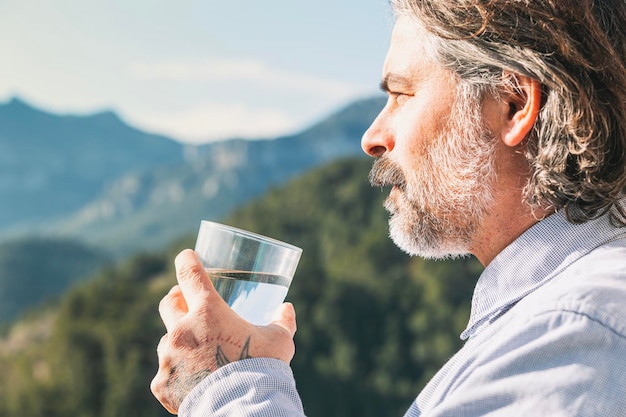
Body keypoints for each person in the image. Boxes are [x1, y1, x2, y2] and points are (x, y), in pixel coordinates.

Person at [151, 0, 626, 415]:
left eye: (400, 94)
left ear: (513, 103)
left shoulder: (572, 334)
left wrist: (228, 385)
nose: (372, 138)